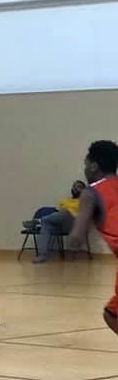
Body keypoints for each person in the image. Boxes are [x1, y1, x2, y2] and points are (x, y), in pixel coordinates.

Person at [69, 141, 118, 336]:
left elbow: (76, 238)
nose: (84, 168)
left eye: (85, 163)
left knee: (112, 315)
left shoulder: (90, 193)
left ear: (94, 166)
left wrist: (78, 231)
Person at [30, 180, 85, 263]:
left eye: (78, 187)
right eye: (74, 186)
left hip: (73, 225)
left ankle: (39, 221)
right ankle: (42, 255)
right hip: (59, 224)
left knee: (65, 212)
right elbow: (56, 213)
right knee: (46, 224)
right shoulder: (64, 200)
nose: (75, 188)